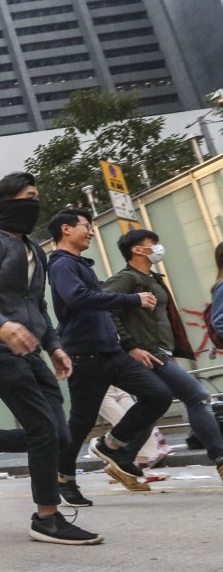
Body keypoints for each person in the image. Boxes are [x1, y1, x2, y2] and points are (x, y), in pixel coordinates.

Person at [0, 171, 103, 545]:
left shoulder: (37, 252)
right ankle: (46, 516)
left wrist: (55, 345)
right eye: (28, 197)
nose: (34, 204)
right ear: (6, 204)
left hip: (31, 352)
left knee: (59, 434)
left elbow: (37, 306)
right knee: (44, 429)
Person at [43, 210, 173, 501]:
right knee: (81, 422)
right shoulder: (62, 265)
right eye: (86, 227)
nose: (90, 232)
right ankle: (64, 478)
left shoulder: (79, 264)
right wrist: (132, 299)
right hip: (85, 356)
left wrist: (126, 345)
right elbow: (78, 298)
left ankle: (111, 446)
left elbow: (94, 300)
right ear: (66, 229)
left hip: (111, 351)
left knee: (158, 395)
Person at [103, 228, 223, 484]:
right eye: (153, 243)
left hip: (160, 350)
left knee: (153, 405)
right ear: (137, 249)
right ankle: (221, 459)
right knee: (198, 396)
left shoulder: (153, 278)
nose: (159, 247)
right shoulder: (126, 279)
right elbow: (106, 310)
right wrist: (131, 346)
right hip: (148, 352)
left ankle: (121, 457)